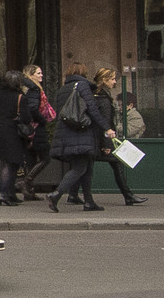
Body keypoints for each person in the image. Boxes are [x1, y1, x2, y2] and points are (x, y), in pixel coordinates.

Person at [47, 64, 110, 213]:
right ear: (83, 73)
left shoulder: (62, 90)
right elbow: (92, 109)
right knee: (80, 167)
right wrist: (106, 127)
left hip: (66, 133)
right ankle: (56, 194)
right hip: (82, 132)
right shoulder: (82, 85)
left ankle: (89, 202)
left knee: (86, 168)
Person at [87, 67, 147, 207]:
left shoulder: (95, 95)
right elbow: (106, 123)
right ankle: (128, 196)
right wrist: (106, 145)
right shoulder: (104, 99)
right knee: (86, 169)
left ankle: (70, 195)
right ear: (104, 80)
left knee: (82, 168)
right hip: (99, 140)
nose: (115, 82)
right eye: (112, 79)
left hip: (93, 139)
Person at [0, 70, 33, 206]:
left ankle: (10, 193)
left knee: (10, 162)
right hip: (11, 132)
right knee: (10, 163)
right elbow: (26, 118)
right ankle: (4, 194)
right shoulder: (20, 97)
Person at [19, 64, 55, 200]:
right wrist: (42, 121)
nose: (41, 76)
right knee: (45, 157)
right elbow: (33, 109)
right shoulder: (34, 89)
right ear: (31, 74)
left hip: (28, 128)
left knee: (31, 159)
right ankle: (26, 182)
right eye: (38, 73)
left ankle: (28, 192)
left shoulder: (25, 87)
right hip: (36, 128)